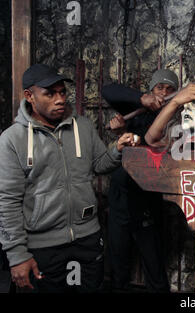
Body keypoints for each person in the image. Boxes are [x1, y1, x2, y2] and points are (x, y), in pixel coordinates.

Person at [0, 64, 138, 292]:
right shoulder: (11, 140)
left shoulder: (81, 126)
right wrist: (17, 255)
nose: (60, 99)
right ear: (29, 96)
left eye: (62, 92)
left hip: (87, 239)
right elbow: (7, 201)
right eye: (50, 93)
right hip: (42, 247)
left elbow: (99, 164)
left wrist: (117, 149)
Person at [102, 69, 179, 292]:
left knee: (155, 269)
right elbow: (108, 90)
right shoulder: (137, 109)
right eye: (159, 88)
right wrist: (140, 100)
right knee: (119, 268)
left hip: (147, 201)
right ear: (151, 90)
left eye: (170, 89)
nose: (164, 94)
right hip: (120, 198)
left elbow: (153, 147)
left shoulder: (176, 119)